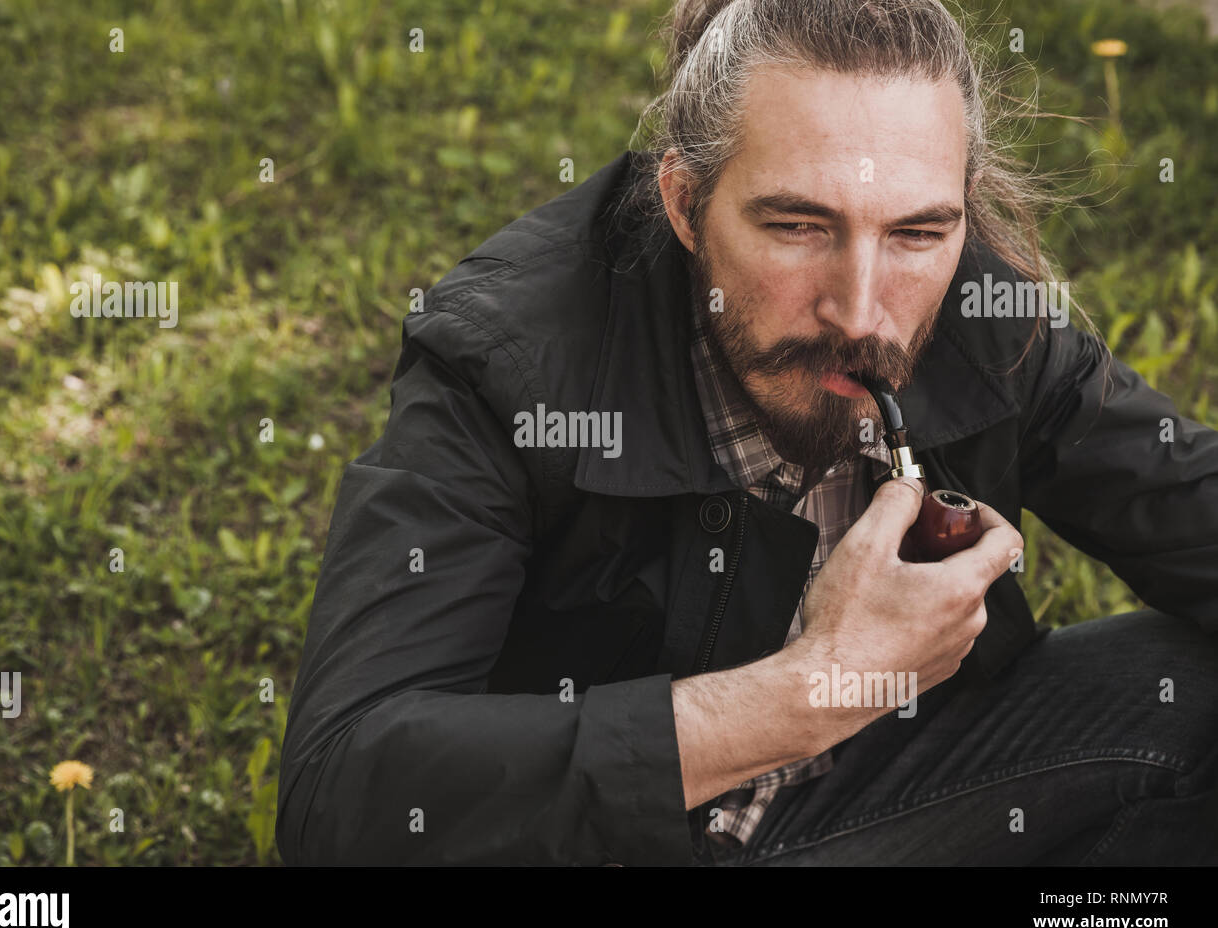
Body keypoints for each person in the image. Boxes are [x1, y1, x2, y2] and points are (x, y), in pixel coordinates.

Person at [275, 0, 1218, 866]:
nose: (861, 311)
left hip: (873, 805)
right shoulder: (507, 363)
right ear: (685, 202)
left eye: (918, 233)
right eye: (799, 226)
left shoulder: (980, 305)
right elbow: (343, 793)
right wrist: (817, 688)